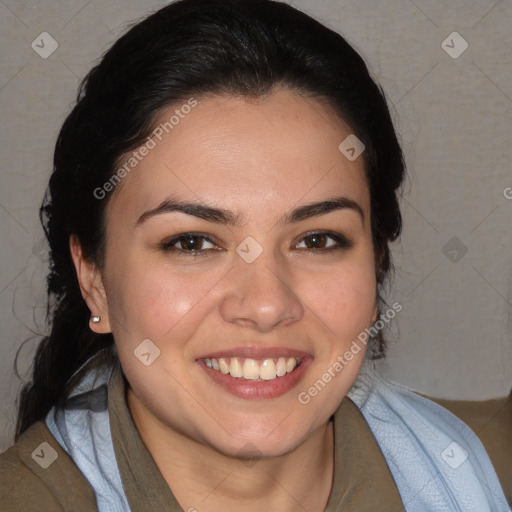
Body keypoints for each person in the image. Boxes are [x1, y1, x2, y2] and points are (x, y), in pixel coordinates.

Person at [0, 0, 510, 510]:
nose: (266, 305)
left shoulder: (466, 472)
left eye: (317, 240)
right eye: (192, 243)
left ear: (376, 261)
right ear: (94, 279)